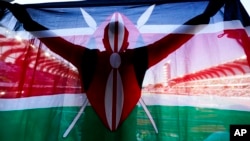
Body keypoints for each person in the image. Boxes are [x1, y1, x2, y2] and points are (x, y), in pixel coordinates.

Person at [1, 0, 225, 131]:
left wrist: (23, 16)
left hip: (93, 128)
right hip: (122, 129)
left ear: (104, 40)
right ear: (128, 41)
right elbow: (180, 36)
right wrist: (207, 13)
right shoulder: (139, 57)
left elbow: (47, 37)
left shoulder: (86, 57)